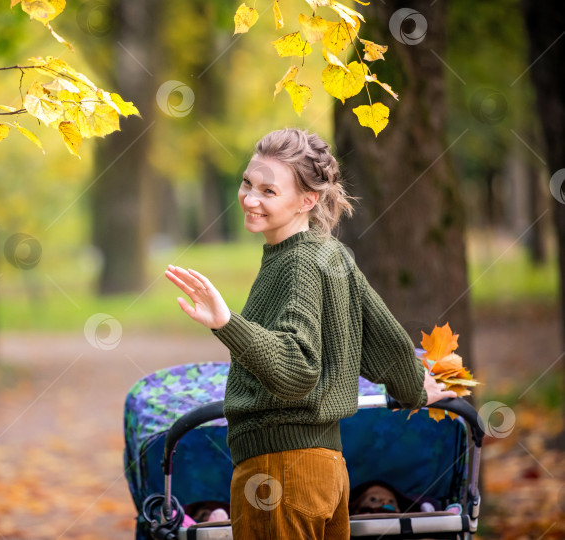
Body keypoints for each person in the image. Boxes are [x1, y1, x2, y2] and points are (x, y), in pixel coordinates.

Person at [164, 127, 456, 539]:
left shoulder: (296, 263)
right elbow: (379, 334)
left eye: (268, 191)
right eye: (247, 183)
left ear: (308, 200)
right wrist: (414, 387)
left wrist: (226, 323)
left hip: (277, 472)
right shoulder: (328, 253)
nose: (249, 198)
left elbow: (298, 368)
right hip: (326, 471)